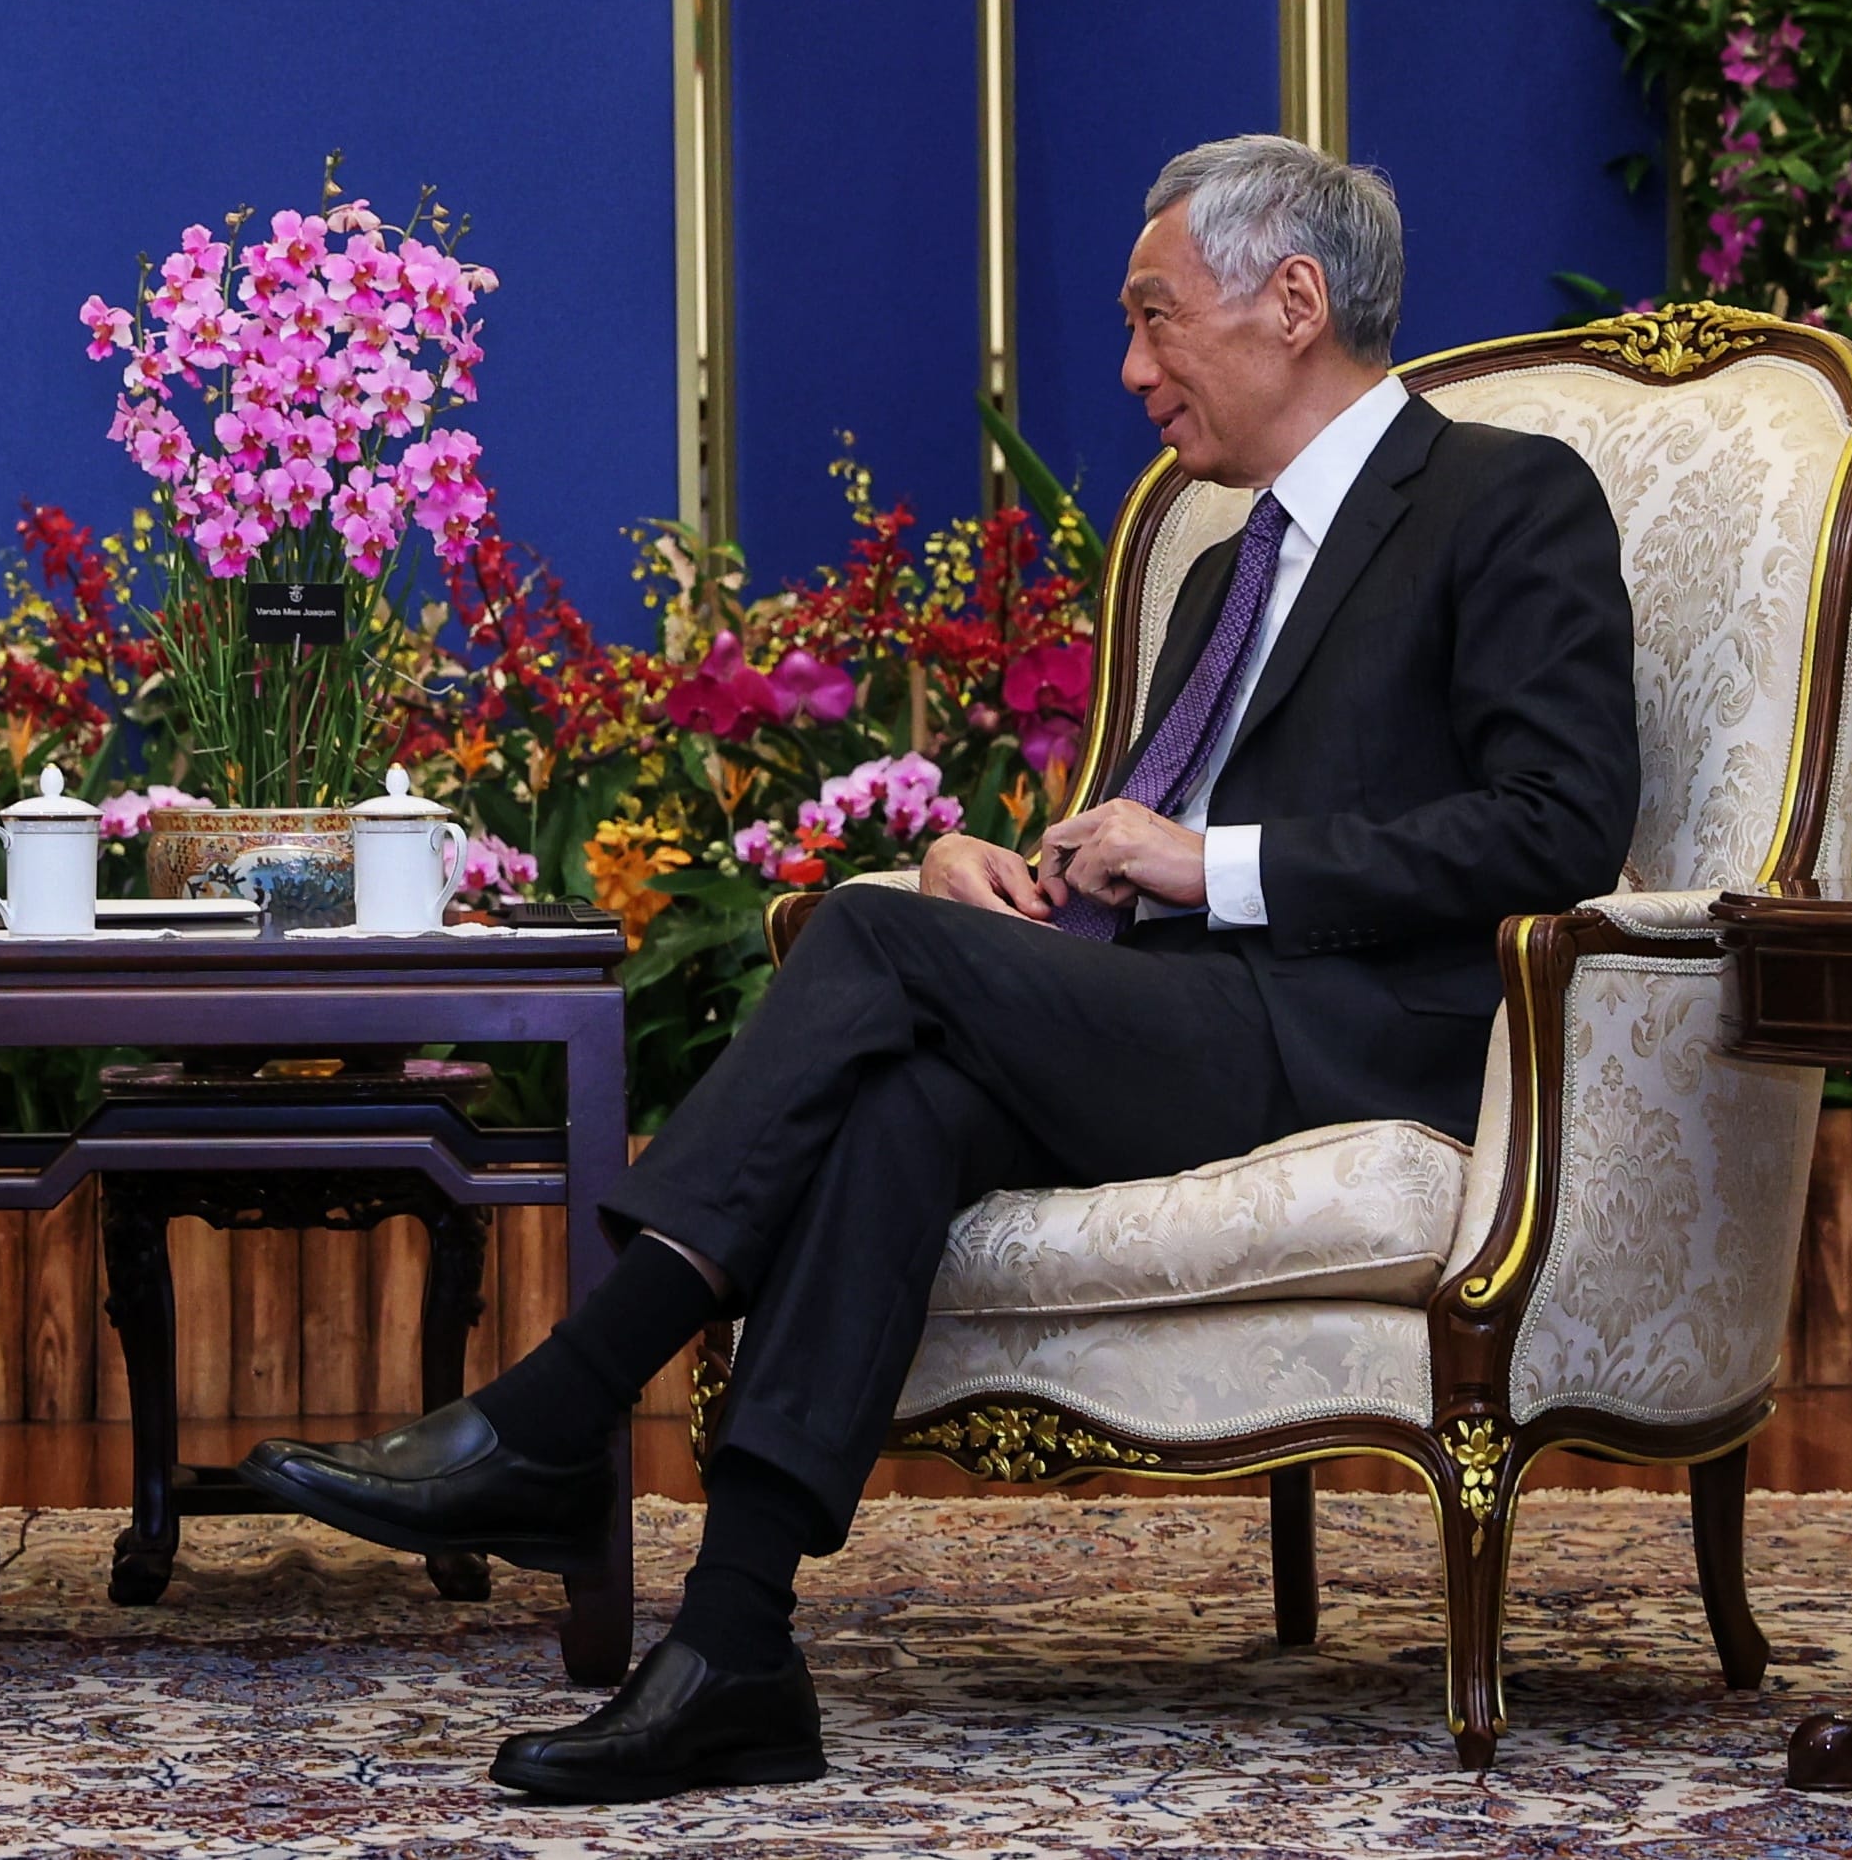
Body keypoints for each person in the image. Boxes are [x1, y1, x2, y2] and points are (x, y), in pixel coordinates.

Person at [243, 135, 1643, 1800]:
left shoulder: (1505, 496)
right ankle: (736, 1647)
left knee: (874, 937)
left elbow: (1560, 822)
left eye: (1153, 316)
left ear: (1294, 300)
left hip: (1360, 1042)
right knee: (906, 1085)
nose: (1129, 369)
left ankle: (563, 1404)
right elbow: (1157, 820)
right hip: (1173, 1012)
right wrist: (1032, 872)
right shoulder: (1218, 564)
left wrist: (1212, 865)